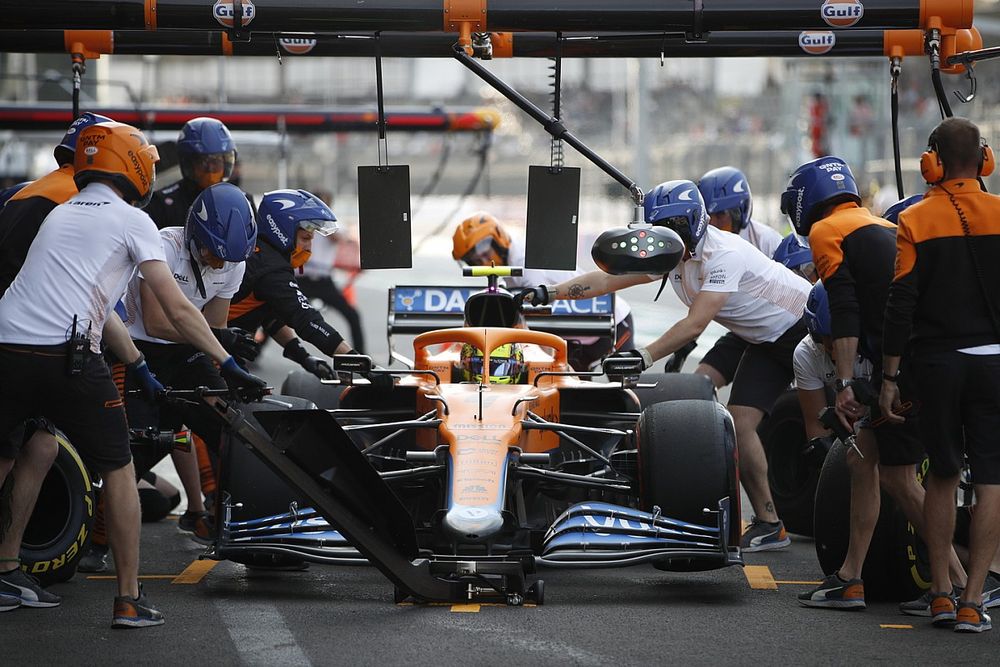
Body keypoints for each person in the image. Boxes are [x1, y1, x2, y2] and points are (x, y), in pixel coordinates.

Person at [0, 121, 266, 627]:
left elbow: (98, 307)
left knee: (32, 448)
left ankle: (6, 569)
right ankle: (128, 598)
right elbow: (180, 311)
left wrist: (141, 366)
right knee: (120, 469)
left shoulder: (60, 214)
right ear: (137, 167)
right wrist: (229, 363)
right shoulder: (133, 221)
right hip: (66, 355)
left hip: (6, 345)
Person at [522, 179, 811, 552]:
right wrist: (552, 293)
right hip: (762, 340)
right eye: (659, 230)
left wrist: (645, 356)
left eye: (673, 228)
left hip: (807, 329)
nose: (664, 237)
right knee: (739, 423)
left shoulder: (725, 253)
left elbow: (696, 323)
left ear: (693, 223)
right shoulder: (672, 254)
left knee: (823, 430)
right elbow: (610, 278)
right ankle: (771, 524)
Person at [781, 156, 932, 612]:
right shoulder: (881, 226)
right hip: (923, 359)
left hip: (907, 368)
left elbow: (844, 310)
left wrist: (845, 382)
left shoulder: (828, 232)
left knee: (901, 480)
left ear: (804, 203)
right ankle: (851, 577)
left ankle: (956, 587)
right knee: (861, 458)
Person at [881, 117, 1000, 632]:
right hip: (994, 362)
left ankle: (942, 594)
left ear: (931, 163)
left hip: (937, 365)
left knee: (943, 476)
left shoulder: (915, 220)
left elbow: (899, 303)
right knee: (993, 480)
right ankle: (976, 600)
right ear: (985, 160)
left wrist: (888, 376)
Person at [229, 189, 381, 385]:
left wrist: (303, 357)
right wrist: (366, 368)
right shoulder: (272, 270)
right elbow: (307, 321)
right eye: (306, 238)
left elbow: (270, 317)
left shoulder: (262, 253)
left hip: (217, 353)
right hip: (215, 359)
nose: (309, 246)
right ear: (282, 231)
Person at [452, 212, 635, 371]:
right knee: (568, 396)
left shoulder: (526, 261)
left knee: (622, 384)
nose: (483, 262)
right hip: (575, 335)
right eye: (474, 260)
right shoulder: (510, 269)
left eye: (484, 251)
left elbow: (539, 318)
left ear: (498, 239)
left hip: (613, 322)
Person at [689, 166, 784, 384]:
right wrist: (686, 344)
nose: (712, 224)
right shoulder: (705, 246)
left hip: (776, 332)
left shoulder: (767, 241)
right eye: (707, 216)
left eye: (720, 215)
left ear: (740, 211)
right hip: (742, 333)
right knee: (699, 385)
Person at [143, 117, 237, 231]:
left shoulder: (241, 202)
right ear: (188, 163)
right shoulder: (162, 204)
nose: (211, 169)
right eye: (203, 162)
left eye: (216, 162)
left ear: (226, 163)